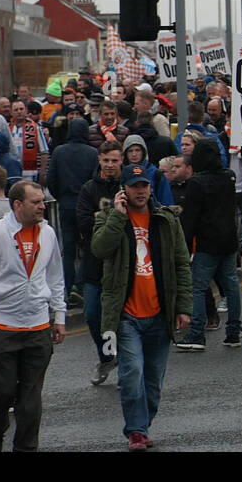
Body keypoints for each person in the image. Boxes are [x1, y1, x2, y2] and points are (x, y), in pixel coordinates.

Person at [93, 163, 193, 451]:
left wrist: (183, 307)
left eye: (144, 185)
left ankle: (142, 424)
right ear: (123, 189)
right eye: (134, 186)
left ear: (151, 188)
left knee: (152, 382)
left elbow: (181, 264)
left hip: (160, 313)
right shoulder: (110, 218)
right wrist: (117, 217)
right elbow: (99, 249)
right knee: (132, 372)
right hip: (127, 316)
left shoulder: (166, 220)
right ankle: (136, 431)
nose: (140, 191)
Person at [0, 180, 66, 451]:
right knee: (3, 392)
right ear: (18, 205)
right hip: (2, 326)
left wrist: (60, 317)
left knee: (30, 399)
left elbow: (55, 277)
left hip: (38, 326)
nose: (42, 206)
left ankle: (25, 448)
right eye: (36, 202)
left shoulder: (48, 233)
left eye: (42, 201)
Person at [175, 140, 242, 349]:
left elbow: (191, 218)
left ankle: (196, 334)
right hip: (229, 240)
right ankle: (233, 332)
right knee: (231, 286)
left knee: (198, 286)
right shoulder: (229, 177)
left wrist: (183, 245)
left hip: (207, 242)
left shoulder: (197, 182)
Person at [76, 140, 124, 384]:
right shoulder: (88, 189)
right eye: (106, 160)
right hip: (95, 261)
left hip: (123, 262)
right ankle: (107, 357)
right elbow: (83, 222)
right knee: (93, 314)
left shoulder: (129, 185)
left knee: (123, 316)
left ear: (122, 160)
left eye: (114, 160)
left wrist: (103, 220)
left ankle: (126, 364)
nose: (110, 165)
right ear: (99, 160)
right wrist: (113, 218)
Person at [47, 118, 98, 302]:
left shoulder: (59, 151)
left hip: (65, 204)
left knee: (68, 250)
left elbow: (50, 179)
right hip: (85, 206)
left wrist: (61, 197)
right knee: (88, 247)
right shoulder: (93, 153)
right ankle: (80, 283)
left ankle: (67, 289)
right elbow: (95, 180)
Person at [121, 135, 175, 206]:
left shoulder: (156, 174)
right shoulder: (120, 173)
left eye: (138, 150)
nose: (134, 154)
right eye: (130, 151)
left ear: (143, 152)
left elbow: (166, 201)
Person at [8, 100, 49, 182]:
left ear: (26, 111)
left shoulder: (35, 128)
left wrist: (43, 172)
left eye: (21, 109)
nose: (19, 112)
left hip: (30, 174)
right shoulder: (7, 128)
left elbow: (44, 152)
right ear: (11, 113)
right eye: (16, 110)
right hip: (12, 172)